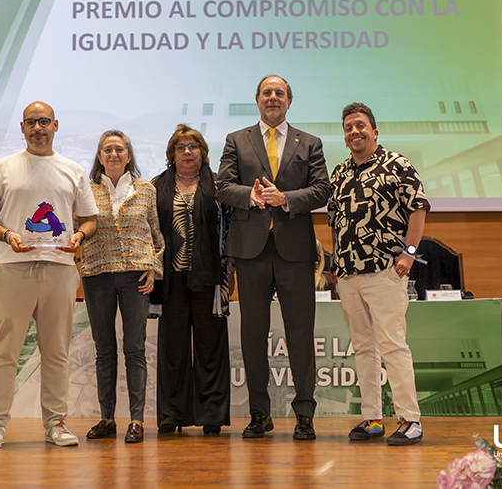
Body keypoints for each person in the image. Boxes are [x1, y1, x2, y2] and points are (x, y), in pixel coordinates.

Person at [0, 101, 98, 450]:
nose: (38, 127)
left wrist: (80, 236)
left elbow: (90, 219)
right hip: (12, 268)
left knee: (56, 351)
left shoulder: (72, 170)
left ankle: (56, 423)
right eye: (31, 122)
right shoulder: (3, 167)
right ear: (22, 127)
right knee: (4, 351)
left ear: (56, 125)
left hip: (60, 269)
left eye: (44, 121)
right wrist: (7, 235)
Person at [216, 75, 330, 440]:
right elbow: (222, 186)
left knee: (300, 334)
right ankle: (259, 413)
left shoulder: (309, 143)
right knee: (252, 335)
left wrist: (287, 199)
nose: (273, 98)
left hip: (295, 250)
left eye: (279, 93)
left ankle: (305, 415)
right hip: (250, 251)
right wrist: (253, 196)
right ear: (257, 99)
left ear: (289, 101)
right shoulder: (237, 140)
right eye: (267, 92)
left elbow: (323, 189)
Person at [327, 102, 430, 446]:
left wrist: (410, 253)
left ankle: (410, 420)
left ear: (374, 131)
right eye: (348, 127)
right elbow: (335, 222)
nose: (354, 131)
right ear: (344, 137)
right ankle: (372, 418)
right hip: (348, 274)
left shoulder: (397, 165)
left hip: (385, 270)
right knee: (363, 348)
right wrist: (335, 269)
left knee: (392, 345)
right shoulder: (339, 172)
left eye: (360, 125)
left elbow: (418, 207)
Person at [79, 130, 164, 444]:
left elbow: (158, 238)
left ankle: (137, 420)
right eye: (107, 150)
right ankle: (107, 419)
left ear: (129, 155)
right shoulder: (85, 191)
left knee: (135, 349)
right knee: (104, 351)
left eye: (119, 149)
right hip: (96, 276)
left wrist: (154, 269)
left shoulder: (146, 190)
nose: (113, 155)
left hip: (135, 279)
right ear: (99, 156)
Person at [152, 124, 233, 436]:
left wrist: (231, 269)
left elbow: (230, 230)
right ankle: (171, 415)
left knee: (210, 348)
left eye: (193, 146)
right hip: (169, 280)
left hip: (210, 277)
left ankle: (212, 415)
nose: (187, 152)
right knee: (173, 350)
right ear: (172, 154)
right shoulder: (156, 186)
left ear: (203, 152)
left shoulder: (219, 185)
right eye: (181, 147)